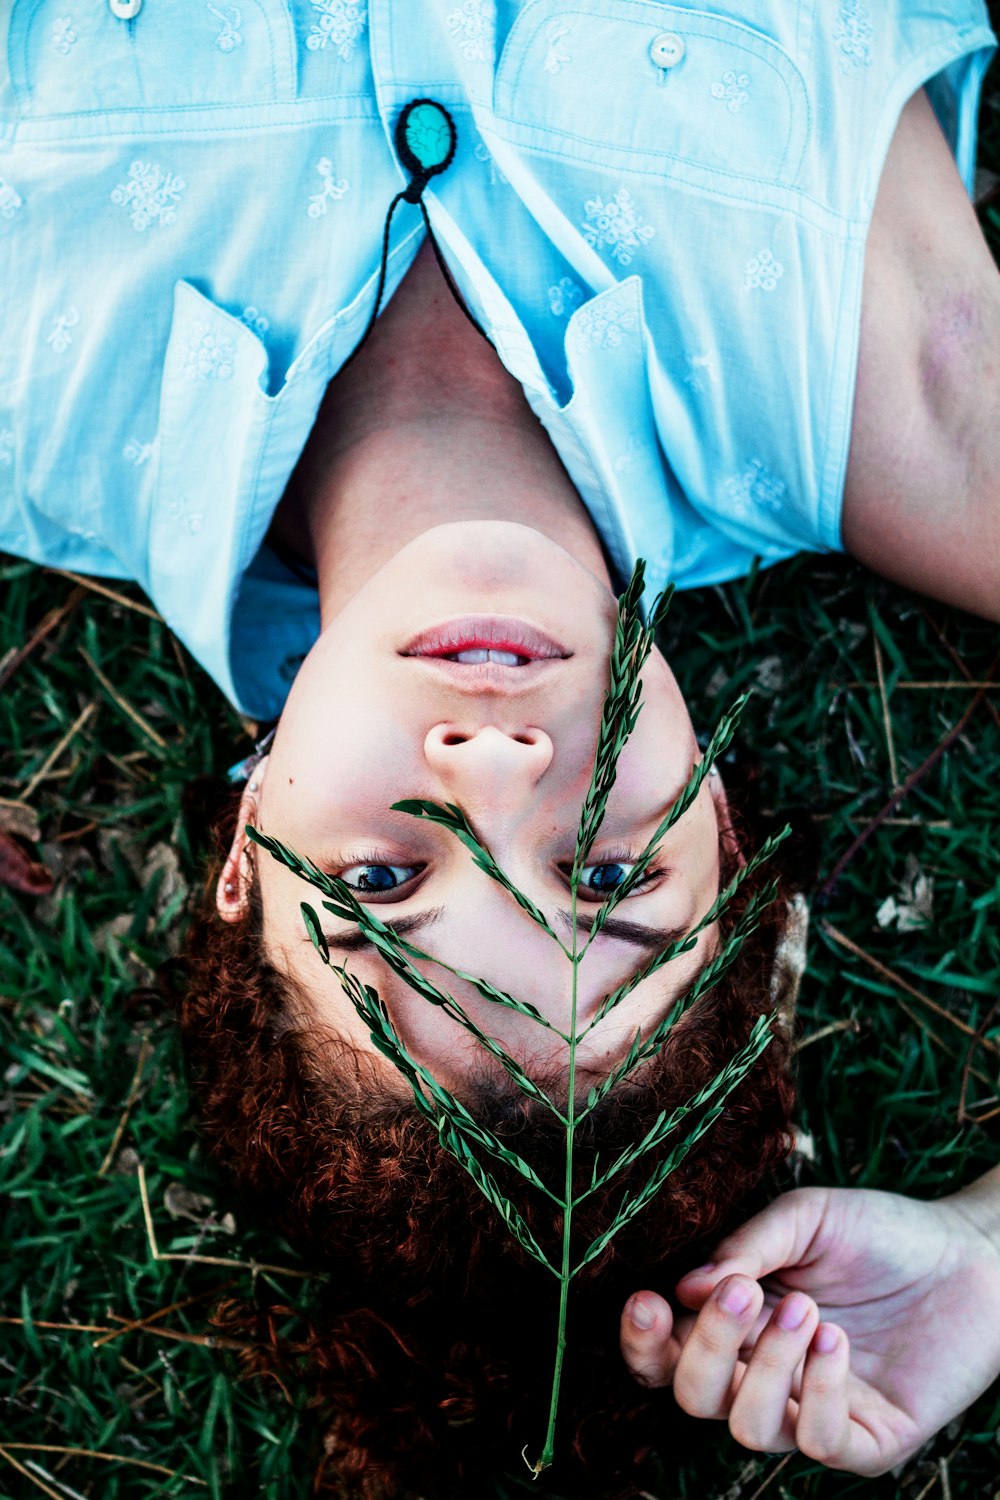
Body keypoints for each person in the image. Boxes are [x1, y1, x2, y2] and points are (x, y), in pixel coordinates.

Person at [2, 1, 999, 1492]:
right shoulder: (908, 399)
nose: (495, 763)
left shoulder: (37, 377)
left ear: (243, 849)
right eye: (606, 873)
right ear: (724, 831)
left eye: (387, 887)